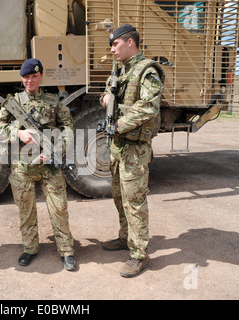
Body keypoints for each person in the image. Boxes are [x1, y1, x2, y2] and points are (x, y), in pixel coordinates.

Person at [0, 59, 76, 271]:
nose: (30, 81)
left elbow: (68, 127)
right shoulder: (14, 102)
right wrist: (18, 133)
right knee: (26, 211)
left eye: (34, 77)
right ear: (22, 78)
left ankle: (66, 251)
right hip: (22, 167)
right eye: (26, 77)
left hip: (49, 166)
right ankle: (30, 248)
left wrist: (57, 151)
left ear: (41, 76)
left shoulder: (54, 101)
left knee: (59, 210)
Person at [100, 24, 165, 277]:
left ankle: (139, 255)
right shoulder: (121, 70)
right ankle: (125, 237)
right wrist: (105, 99)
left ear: (129, 42)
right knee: (119, 197)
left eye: (115, 44)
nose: (112, 49)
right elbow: (108, 93)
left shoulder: (146, 71)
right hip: (118, 147)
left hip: (135, 149)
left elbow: (149, 106)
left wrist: (118, 126)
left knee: (135, 202)